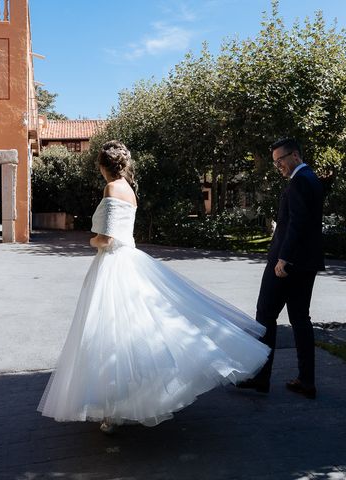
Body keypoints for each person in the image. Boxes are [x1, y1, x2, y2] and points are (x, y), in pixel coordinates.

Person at [38, 140, 270, 432]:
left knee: (109, 333)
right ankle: (129, 399)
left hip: (112, 263)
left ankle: (112, 409)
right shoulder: (130, 190)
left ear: (102, 166)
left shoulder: (110, 188)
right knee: (137, 330)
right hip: (131, 260)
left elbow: (107, 239)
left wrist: (90, 240)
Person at [237, 138, 325, 399]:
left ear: (295, 155)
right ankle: (306, 381)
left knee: (265, 314)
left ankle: (260, 377)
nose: (278, 167)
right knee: (300, 319)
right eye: (275, 163)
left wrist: (283, 258)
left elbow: (296, 224)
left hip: (287, 264)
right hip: (306, 262)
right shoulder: (311, 179)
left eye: (280, 161)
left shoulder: (299, 181)